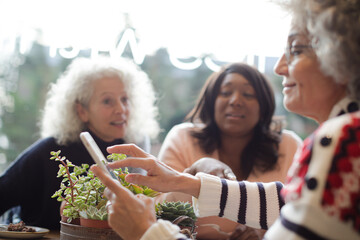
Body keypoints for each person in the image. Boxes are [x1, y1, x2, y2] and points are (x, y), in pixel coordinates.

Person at [91, 0, 360, 239]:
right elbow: (285, 201)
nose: (279, 67)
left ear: (342, 56)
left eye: (296, 49)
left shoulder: (345, 139)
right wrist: (184, 182)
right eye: (226, 93)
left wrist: (147, 231)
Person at [0, 56, 160, 230]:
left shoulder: (135, 145)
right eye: (107, 101)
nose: (121, 109)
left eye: (125, 99)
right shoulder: (50, 150)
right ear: (82, 111)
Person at [157, 62, 302, 239]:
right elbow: (159, 211)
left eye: (248, 94)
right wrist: (196, 170)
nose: (235, 101)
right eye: (225, 93)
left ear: (263, 105)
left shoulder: (288, 145)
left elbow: (303, 213)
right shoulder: (182, 137)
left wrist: (266, 233)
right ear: (211, 101)